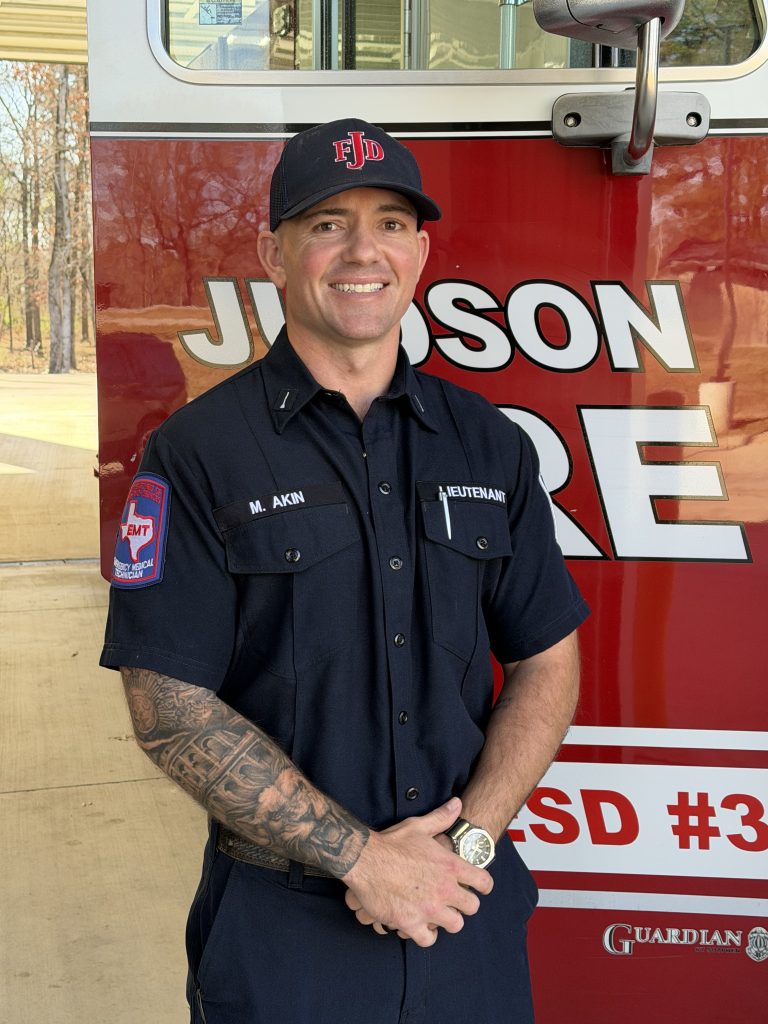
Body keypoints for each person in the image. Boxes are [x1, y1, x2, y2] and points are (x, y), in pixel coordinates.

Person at [100, 118, 589, 1024]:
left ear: (421, 250)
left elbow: (547, 660)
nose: (363, 249)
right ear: (272, 251)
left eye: (391, 222)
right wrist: (364, 861)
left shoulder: (489, 443)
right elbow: (167, 708)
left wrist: (468, 844)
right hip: (284, 942)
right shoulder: (198, 454)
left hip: (463, 914)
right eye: (326, 222)